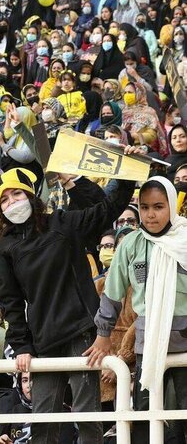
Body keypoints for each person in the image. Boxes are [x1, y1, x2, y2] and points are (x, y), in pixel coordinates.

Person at [0, 164, 137, 444]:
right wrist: (21, 345)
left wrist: (81, 181)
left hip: (82, 331)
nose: (12, 202)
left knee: (87, 415)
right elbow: (10, 301)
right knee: (43, 418)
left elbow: (105, 208)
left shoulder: (62, 222)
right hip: (43, 340)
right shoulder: (4, 247)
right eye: (5, 199)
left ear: (31, 195)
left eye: (16, 194)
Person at [88, 177, 187, 442]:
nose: (150, 214)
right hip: (148, 343)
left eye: (158, 206)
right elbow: (113, 293)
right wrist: (103, 333)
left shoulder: (185, 239)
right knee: (144, 415)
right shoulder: (130, 244)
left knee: (183, 417)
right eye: (144, 207)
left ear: (171, 207)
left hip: (185, 343)